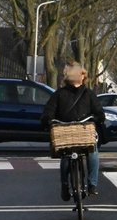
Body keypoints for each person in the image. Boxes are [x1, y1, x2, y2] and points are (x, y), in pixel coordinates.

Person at [40, 61, 106, 200]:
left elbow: (99, 112)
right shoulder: (59, 94)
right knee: (65, 158)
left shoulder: (89, 94)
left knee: (93, 153)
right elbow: (49, 111)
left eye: (82, 73)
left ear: (83, 77)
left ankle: (92, 184)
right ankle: (65, 186)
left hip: (84, 132)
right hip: (65, 133)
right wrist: (48, 119)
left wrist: (96, 117)